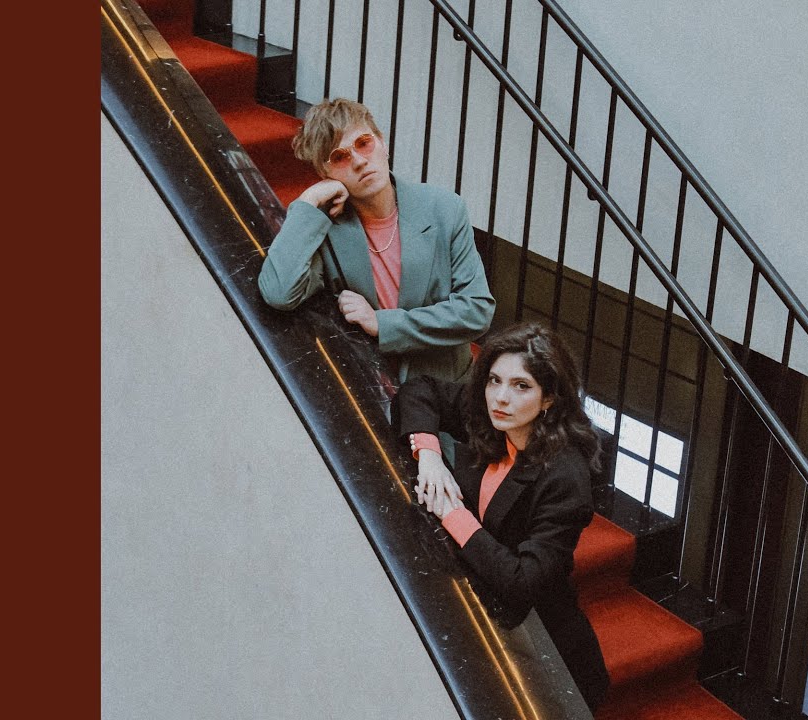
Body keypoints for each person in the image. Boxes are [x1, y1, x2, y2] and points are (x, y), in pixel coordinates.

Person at [393, 321, 611, 712]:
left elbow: (521, 581)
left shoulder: (566, 479)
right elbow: (419, 389)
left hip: (547, 649)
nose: (501, 397)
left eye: (521, 386)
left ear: (549, 399)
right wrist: (428, 454)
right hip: (492, 621)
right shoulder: (493, 417)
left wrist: (454, 514)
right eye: (495, 380)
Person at [257, 98, 494, 384]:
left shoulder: (444, 209)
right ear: (325, 173)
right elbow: (279, 293)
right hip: (370, 389)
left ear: (382, 143)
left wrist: (383, 324)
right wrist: (309, 199)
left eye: (364, 143)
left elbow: (476, 310)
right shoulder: (327, 229)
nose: (359, 161)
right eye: (340, 157)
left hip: (445, 393)